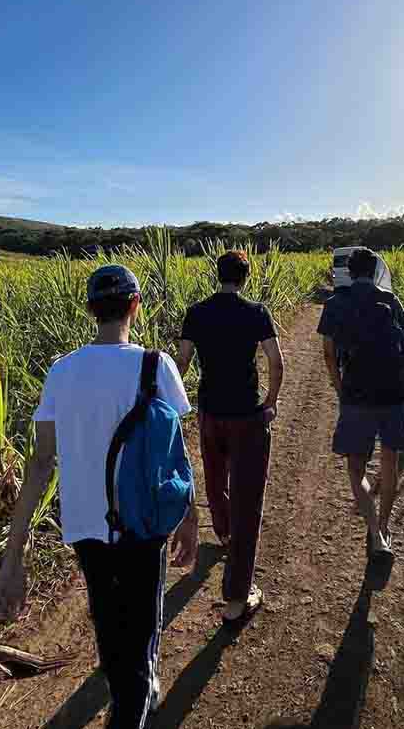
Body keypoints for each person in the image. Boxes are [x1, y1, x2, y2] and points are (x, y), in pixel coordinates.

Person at [0, 264, 198, 729]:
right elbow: (175, 453)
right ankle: (137, 694)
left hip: (86, 528)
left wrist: (14, 553)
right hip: (144, 525)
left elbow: (40, 464)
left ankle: (132, 683)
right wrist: (190, 516)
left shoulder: (61, 372)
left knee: (109, 626)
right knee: (141, 639)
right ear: (135, 305)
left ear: (90, 310)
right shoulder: (155, 364)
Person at [176, 250, 284, 624]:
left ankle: (222, 532)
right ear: (245, 278)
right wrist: (270, 401)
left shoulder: (197, 312)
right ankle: (237, 597)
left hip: (209, 413)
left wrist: (175, 404)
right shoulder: (256, 313)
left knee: (215, 477)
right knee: (248, 497)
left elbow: (183, 362)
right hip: (247, 417)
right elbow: (275, 360)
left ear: (217, 275)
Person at [317, 247, 404, 556]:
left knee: (356, 469)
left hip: (357, 391)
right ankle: (384, 528)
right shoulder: (390, 300)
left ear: (349, 272)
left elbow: (329, 354)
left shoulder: (335, 303)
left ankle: (375, 532)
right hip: (394, 392)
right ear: (374, 271)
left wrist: (339, 387)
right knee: (390, 462)